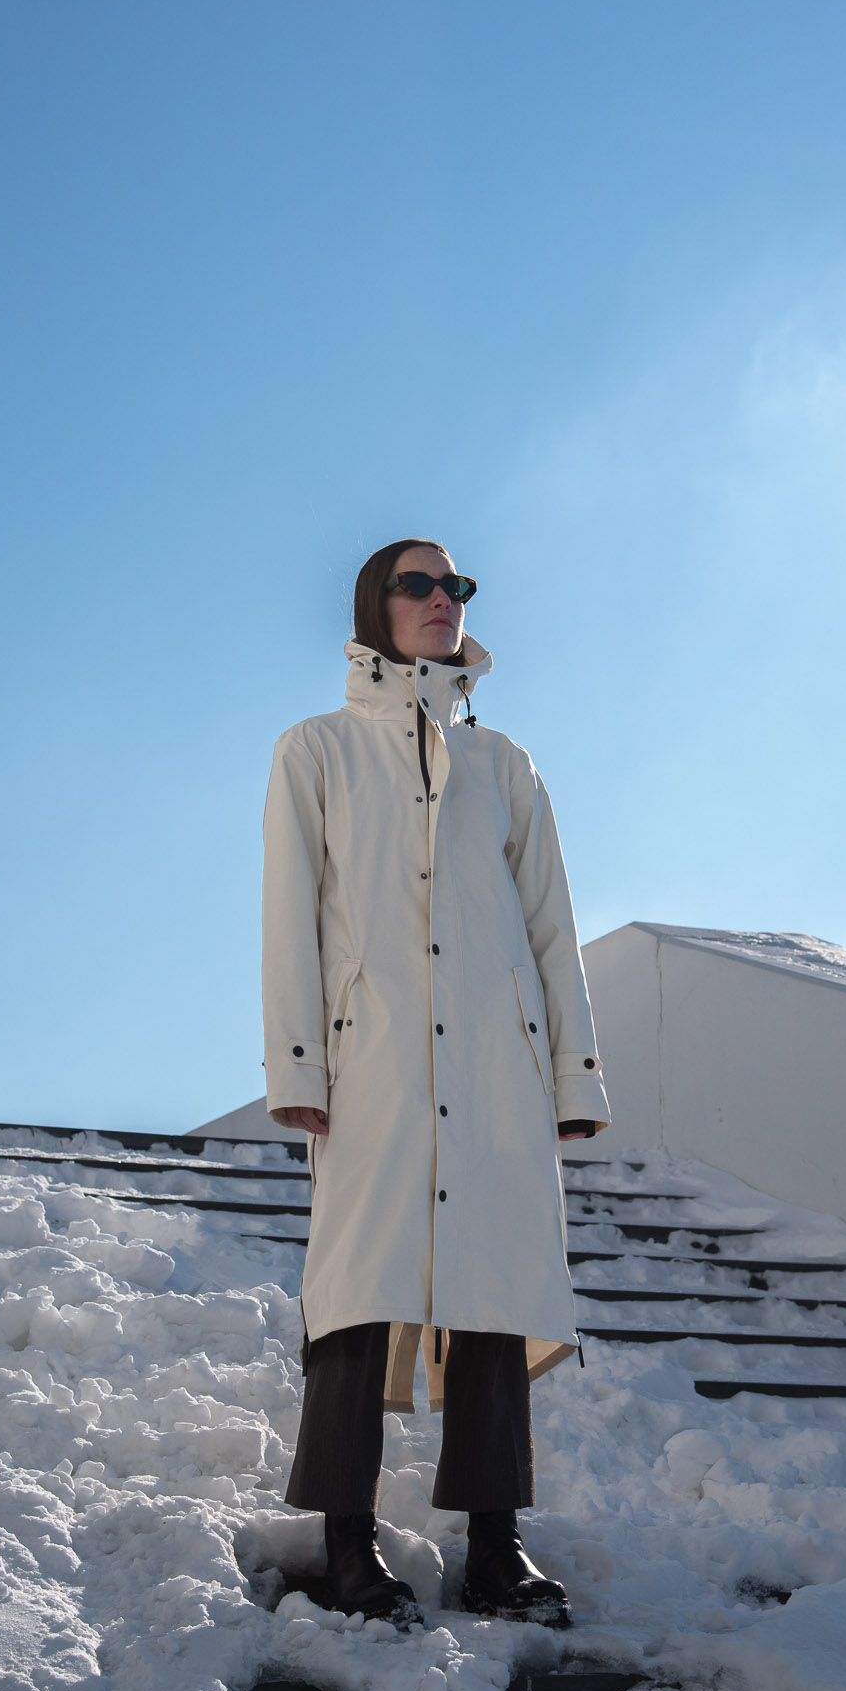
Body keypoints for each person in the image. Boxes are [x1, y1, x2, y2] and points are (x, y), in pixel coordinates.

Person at [262, 538, 610, 1628]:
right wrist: (298, 1060)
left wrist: (571, 1075)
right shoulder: (315, 750)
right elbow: (289, 916)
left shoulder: (504, 765)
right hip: (371, 1059)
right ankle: (346, 1542)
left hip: (496, 1063)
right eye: (416, 583)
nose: (440, 600)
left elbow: (550, 929)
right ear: (373, 606)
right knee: (357, 1290)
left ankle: (496, 1548)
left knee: (495, 1289)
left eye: (455, 586)